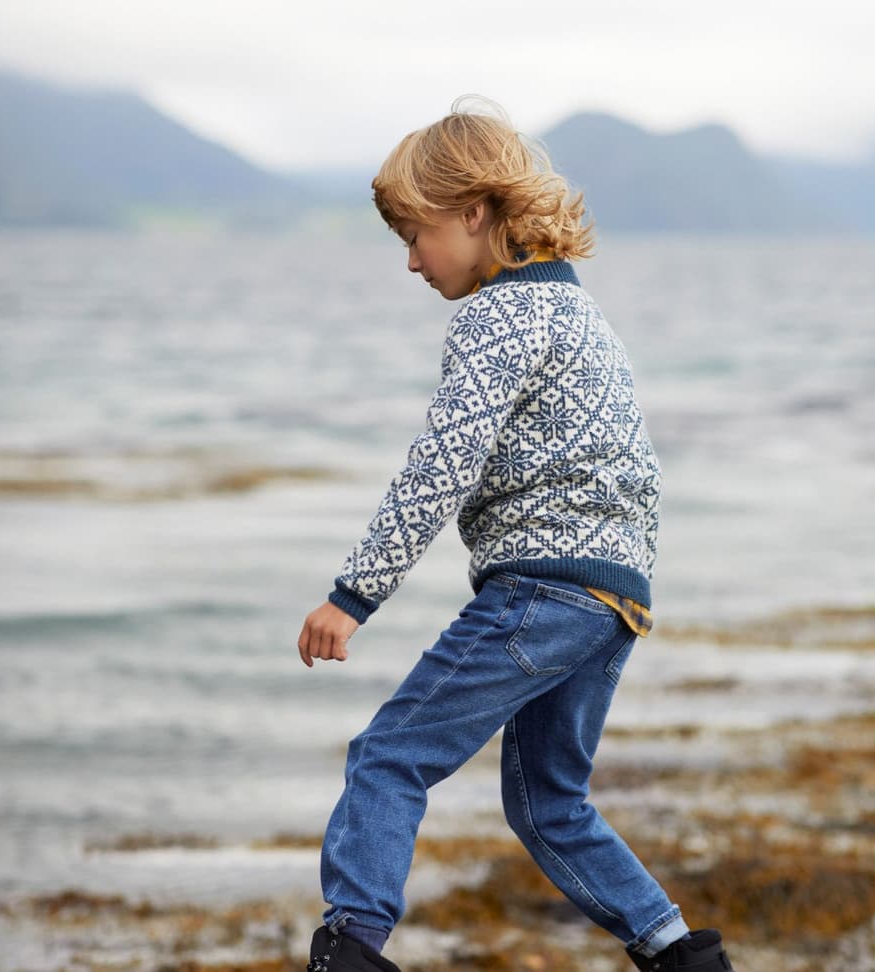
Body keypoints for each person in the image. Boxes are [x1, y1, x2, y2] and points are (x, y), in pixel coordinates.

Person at [297, 98, 735, 972]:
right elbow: (637, 468)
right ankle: (682, 959)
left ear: (474, 212)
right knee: (550, 806)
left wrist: (353, 597)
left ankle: (350, 951)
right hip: (614, 597)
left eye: (416, 235)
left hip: (543, 590)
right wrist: (618, 585)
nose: (411, 261)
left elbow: (441, 465)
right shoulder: (580, 315)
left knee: (388, 757)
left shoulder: (495, 317)